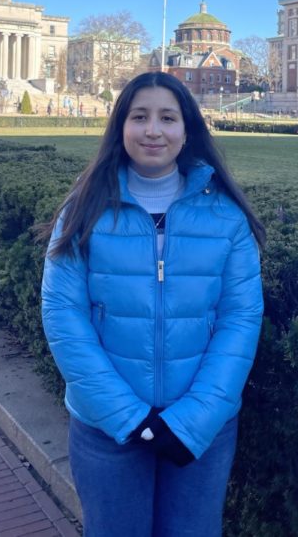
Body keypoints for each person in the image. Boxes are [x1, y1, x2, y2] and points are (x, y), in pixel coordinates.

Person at [40, 72, 264, 537]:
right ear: (121, 127)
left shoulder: (226, 215)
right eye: (139, 117)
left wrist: (195, 418)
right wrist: (127, 416)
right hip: (106, 426)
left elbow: (240, 319)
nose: (153, 131)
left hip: (202, 426)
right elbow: (65, 318)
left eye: (168, 117)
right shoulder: (83, 208)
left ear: (188, 130)